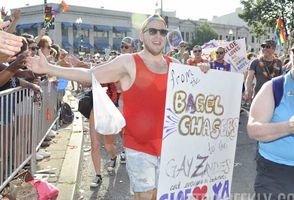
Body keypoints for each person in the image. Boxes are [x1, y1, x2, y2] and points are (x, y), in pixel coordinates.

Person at [26, 14, 208, 199]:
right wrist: (50, 68)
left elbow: (197, 100)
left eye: (162, 32)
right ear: (142, 35)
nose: (158, 36)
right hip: (140, 148)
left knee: (161, 195)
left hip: (171, 147)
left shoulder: (175, 65)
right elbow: (90, 74)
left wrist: (203, 73)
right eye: (152, 31)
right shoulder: (128, 62)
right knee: (145, 196)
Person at [247, 43, 294, 199]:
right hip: (276, 174)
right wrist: (289, 127)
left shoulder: (277, 65)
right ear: (291, 52)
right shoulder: (275, 87)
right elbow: (254, 129)